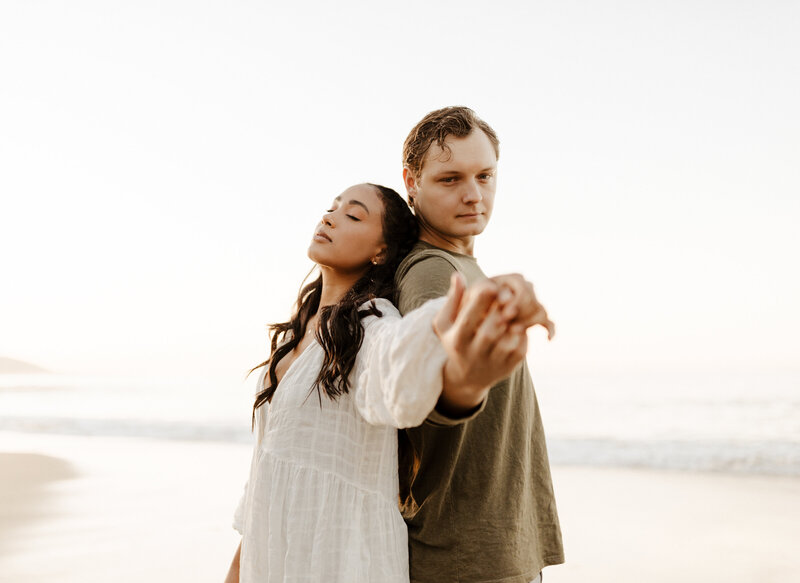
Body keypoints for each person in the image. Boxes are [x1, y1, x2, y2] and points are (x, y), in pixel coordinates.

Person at [224, 182, 546, 583]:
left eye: (353, 215)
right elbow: (267, 473)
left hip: (345, 560)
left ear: (381, 252)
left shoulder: (371, 322)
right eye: (332, 207)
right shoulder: (295, 332)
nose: (330, 217)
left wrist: (449, 318)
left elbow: (396, 371)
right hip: (274, 555)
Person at [396, 107, 565, 583]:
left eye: (485, 176)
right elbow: (423, 385)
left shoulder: (464, 267)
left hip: (494, 544)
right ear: (412, 181)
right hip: (464, 555)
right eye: (450, 179)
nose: (474, 195)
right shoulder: (432, 270)